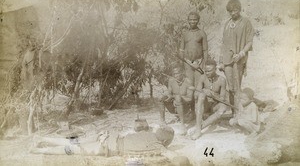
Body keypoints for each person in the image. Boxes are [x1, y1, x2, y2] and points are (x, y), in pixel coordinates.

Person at [30, 126, 178, 158]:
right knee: (74, 149)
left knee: (75, 141)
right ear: (165, 141)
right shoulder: (159, 146)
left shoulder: (147, 133)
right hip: (109, 146)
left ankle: (42, 139)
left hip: (108, 135)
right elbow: (174, 157)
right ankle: (40, 150)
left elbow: (129, 132)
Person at [219, 0, 255, 115]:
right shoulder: (227, 24)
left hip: (239, 59)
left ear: (239, 9)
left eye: (235, 10)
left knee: (237, 86)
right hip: (227, 59)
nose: (232, 13)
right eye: (230, 11)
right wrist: (221, 61)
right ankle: (233, 112)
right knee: (231, 87)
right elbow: (223, 43)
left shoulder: (246, 22)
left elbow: (249, 42)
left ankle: (239, 114)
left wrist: (241, 54)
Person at [191, 59, 228, 140]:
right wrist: (203, 91)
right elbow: (196, 95)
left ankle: (199, 127)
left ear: (215, 69)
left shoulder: (222, 80)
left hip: (214, 106)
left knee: (223, 108)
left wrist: (213, 94)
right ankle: (198, 129)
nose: (207, 73)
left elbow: (222, 99)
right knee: (201, 95)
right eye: (206, 71)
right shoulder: (203, 78)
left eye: (209, 71)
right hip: (204, 105)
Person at [157, 66, 194, 135]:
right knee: (160, 97)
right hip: (174, 106)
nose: (176, 76)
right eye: (174, 74)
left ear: (182, 73)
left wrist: (177, 98)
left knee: (178, 97)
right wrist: (167, 96)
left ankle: (182, 125)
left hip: (185, 108)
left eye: (178, 73)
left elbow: (190, 99)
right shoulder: (171, 81)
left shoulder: (188, 81)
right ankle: (162, 121)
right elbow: (169, 93)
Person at [179, 12, 208, 88]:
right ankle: (190, 99)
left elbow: (205, 50)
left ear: (198, 20)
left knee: (199, 85)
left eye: (195, 20)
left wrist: (205, 64)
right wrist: (182, 63)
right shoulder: (185, 34)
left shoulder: (202, 33)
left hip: (199, 62)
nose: (192, 22)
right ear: (188, 20)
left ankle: (198, 99)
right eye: (191, 20)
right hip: (187, 62)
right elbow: (181, 50)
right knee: (189, 85)